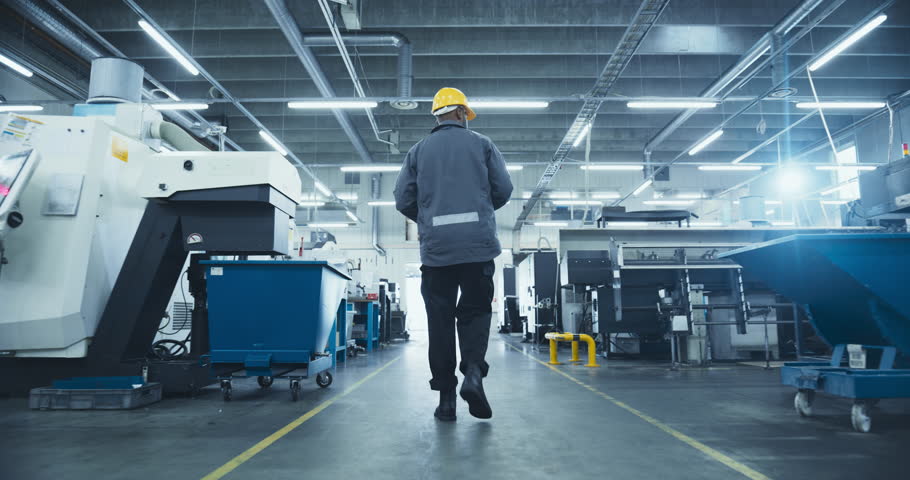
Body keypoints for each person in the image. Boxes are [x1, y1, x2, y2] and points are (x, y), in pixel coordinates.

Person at [393, 87, 513, 421]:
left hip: (436, 253)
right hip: (477, 248)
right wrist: (482, 212)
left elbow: (403, 199)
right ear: (461, 113)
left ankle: (446, 401)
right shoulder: (482, 145)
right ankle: (473, 374)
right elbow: (503, 189)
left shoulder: (418, 152)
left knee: (440, 322)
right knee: (475, 314)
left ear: (437, 115)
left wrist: (430, 220)